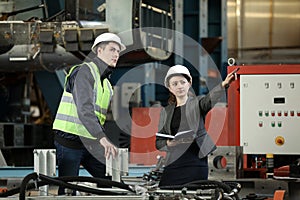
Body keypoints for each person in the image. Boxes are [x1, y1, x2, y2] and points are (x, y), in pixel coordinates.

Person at [52, 32, 126, 195]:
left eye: (118, 51)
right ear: (99, 51)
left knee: (114, 183)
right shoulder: (83, 72)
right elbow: (84, 109)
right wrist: (103, 139)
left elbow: (98, 117)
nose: (116, 55)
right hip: (69, 140)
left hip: (90, 142)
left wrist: (102, 139)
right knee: (69, 190)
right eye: (112, 50)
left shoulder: (106, 84)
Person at [155, 64, 236, 188]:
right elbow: (158, 142)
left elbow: (209, 100)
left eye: (182, 82)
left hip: (195, 162)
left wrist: (223, 84)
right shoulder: (165, 112)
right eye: (175, 84)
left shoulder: (198, 103)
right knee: (165, 191)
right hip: (174, 163)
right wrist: (169, 143)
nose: (179, 86)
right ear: (170, 88)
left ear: (189, 83)